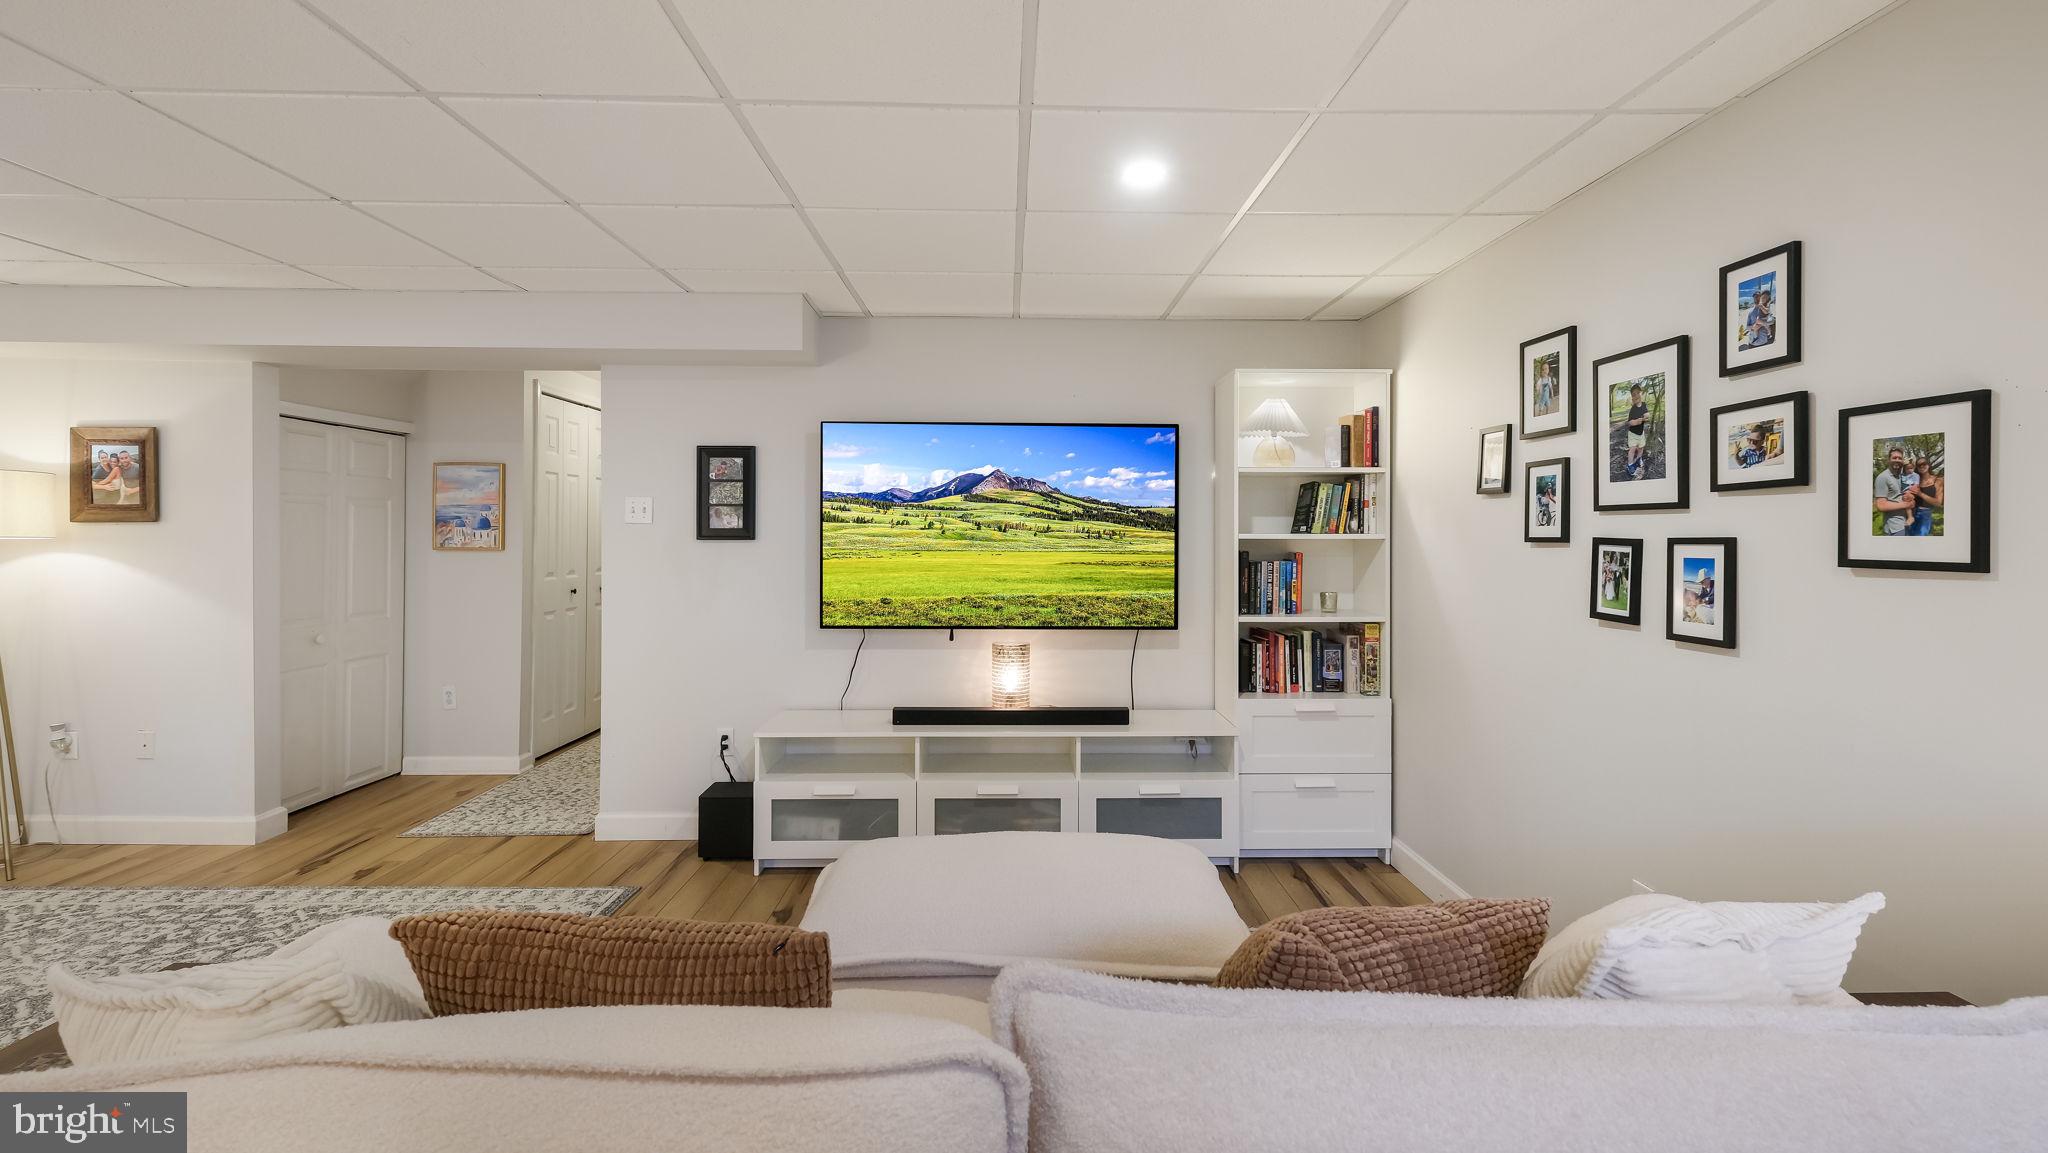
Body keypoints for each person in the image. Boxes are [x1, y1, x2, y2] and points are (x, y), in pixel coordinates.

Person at [1872, 445, 1914, 535]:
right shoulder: (1882, 477)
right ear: (1889, 460)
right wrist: (1907, 504)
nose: (1897, 460)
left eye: (1900, 458)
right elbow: (1881, 505)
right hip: (1895, 526)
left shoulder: (1900, 476)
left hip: (1906, 522)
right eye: (1894, 457)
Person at [1909, 456, 1943, 536]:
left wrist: (1920, 494)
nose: (1921, 466)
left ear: (1929, 465)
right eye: (1919, 465)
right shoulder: (1915, 480)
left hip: (1925, 515)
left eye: (1924, 463)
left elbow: (1938, 502)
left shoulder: (1938, 480)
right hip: (1911, 513)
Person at [1624, 384, 1650, 478]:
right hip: (1633, 433)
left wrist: (1646, 417)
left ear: (1641, 393)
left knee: (1641, 447)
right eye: (1633, 395)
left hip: (1640, 433)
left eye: (1637, 393)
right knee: (1632, 449)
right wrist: (1634, 422)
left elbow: (1647, 414)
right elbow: (1629, 422)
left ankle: (1639, 459)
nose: (1636, 396)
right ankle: (1630, 465)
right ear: (1632, 397)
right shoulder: (1633, 409)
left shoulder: (1644, 405)